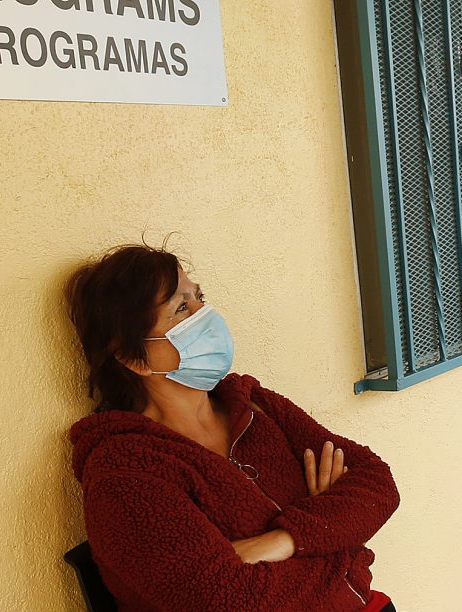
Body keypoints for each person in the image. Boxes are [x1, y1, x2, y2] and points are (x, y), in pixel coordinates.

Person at [65, 244, 401, 611]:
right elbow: (228, 600)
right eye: (181, 308)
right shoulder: (125, 474)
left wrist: (287, 539)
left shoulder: (253, 403)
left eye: (200, 297)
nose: (205, 315)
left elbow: (378, 485)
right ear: (134, 358)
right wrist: (338, 540)